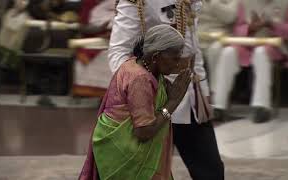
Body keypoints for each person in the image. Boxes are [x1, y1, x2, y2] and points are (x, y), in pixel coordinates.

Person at [108, 0, 224, 179]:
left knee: (211, 170)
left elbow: (193, 49)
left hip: (190, 94)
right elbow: (118, 52)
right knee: (151, 172)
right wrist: (140, 87)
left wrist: (204, 90)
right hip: (153, 98)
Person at [79, 24, 191, 180]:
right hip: (124, 152)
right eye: (174, 58)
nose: (177, 64)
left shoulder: (134, 63)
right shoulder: (140, 79)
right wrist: (172, 102)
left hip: (111, 144)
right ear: (155, 56)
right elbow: (143, 132)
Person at [212, 0, 288, 123]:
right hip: (247, 45)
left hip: (275, 46)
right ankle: (219, 106)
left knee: (261, 53)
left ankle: (261, 106)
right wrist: (250, 28)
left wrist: (272, 25)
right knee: (227, 52)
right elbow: (238, 28)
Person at [198, 0, 239, 94]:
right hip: (197, 36)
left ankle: (215, 93)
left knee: (215, 50)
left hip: (220, 37)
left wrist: (213, 3)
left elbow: (230, 17)